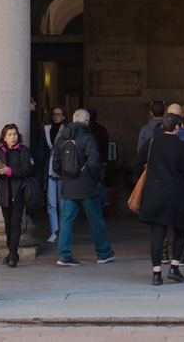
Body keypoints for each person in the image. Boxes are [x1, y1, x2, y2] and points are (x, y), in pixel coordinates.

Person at [132, 113, 184, 285]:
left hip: (154, 195)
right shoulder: (182, 147)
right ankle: (174, 268)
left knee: (158, 234)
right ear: (177, 127)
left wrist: (149, 176)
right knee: (180, 231)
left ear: (161, 127)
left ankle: (156, 274)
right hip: (177, 196)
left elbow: (136, 164)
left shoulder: (151, 143)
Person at [53, 109, 115, 266]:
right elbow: (94, 163)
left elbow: (55, 165)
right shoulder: (88, 137)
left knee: (66, 220)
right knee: (96, 219)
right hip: (87, 186)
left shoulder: (61, 138)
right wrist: (97, 180)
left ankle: (64, 255)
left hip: (69, 187)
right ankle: (103, 253)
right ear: (86, 122)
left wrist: (67, 176)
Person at [154, 103, 184, 264]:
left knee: (163, 219)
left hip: (162, 184)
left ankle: (164, 253)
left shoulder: (157, 135)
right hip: (183, 184)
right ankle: (181, 254)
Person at [0, 123, 36, 268]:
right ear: (4, 137)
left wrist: (10, 171)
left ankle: (13, 254)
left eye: (14, 134)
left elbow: (29, 169)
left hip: (18, 192)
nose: (12, 137)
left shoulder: (24, 151)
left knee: (15, 223)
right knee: (8, 224)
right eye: (9, 135)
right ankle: (11, 251)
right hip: (4, 193)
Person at [35, 105, 66, 243]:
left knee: (62, 203)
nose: (56, 116)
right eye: (54, 114)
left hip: (63, 170)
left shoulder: (66, 131)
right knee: (51, 203)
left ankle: (64, 231)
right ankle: (54, 231)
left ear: (64, 116)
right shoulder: (46, 130)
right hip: (49, 170)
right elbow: (41, 150)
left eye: (59, 114)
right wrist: (37, 167)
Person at [87, 107, 110, 210]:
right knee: (100, 183)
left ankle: (93, 207)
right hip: (103, 160)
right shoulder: (102, 129)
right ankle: (105, 203)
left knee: (91, 183)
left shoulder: (87, 130)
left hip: (92, 160)